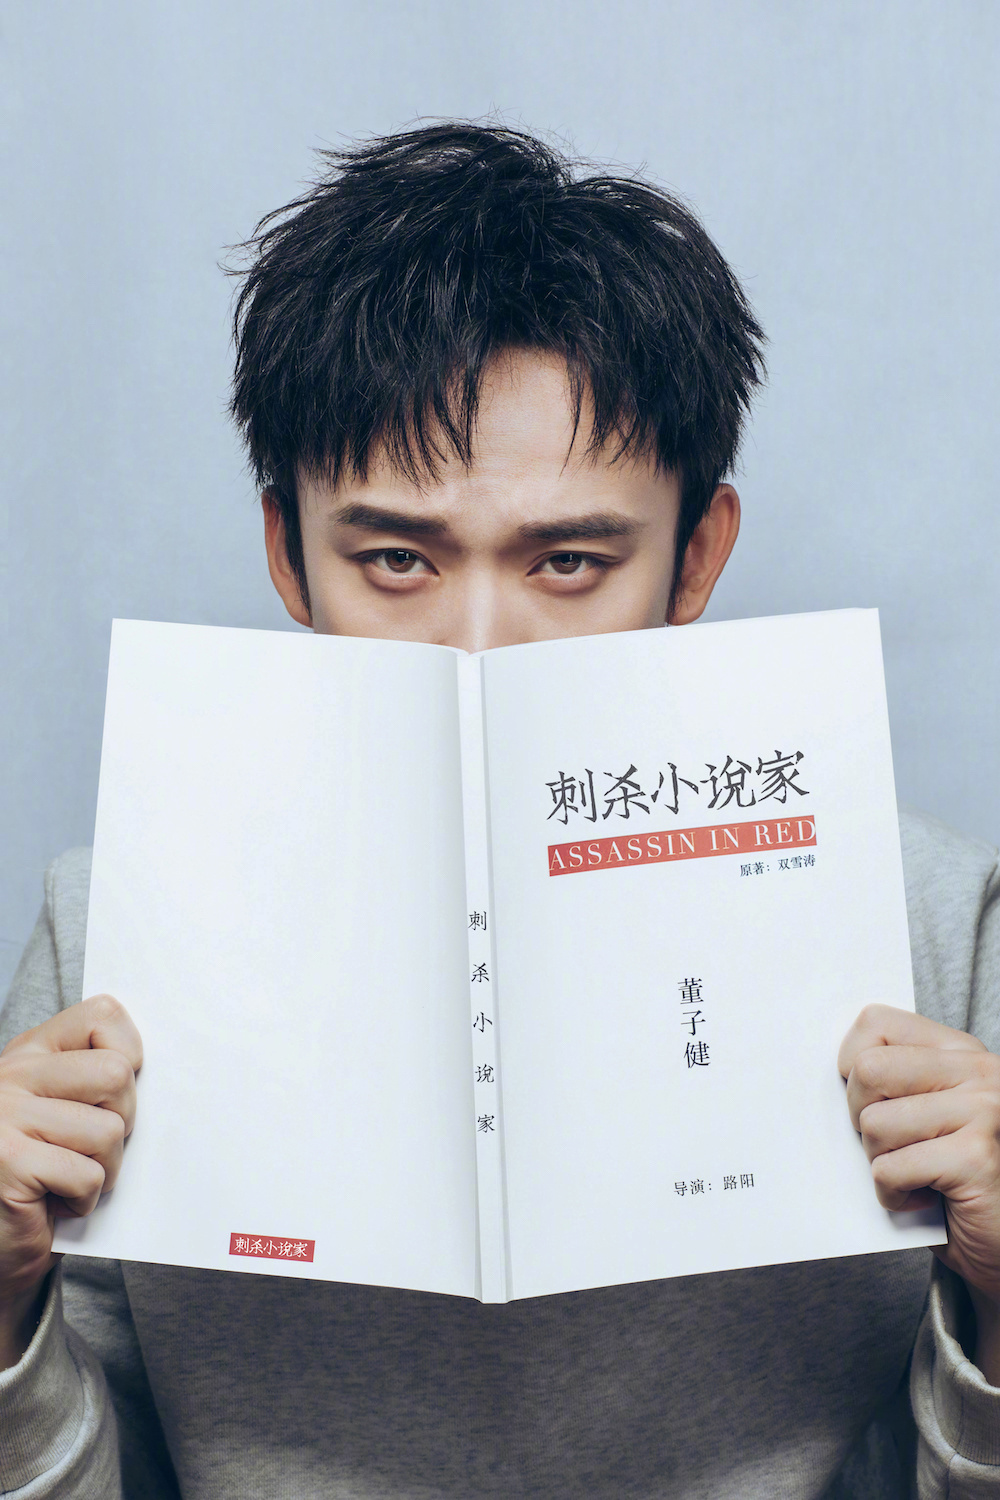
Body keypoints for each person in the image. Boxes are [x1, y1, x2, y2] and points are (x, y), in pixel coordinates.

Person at [1, 122, 999, 1499]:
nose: (478, 647)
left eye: (570, 560)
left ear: (697, 556)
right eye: (396, 559)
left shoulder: (929, 925)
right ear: (287, 552)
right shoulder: (115, 928)